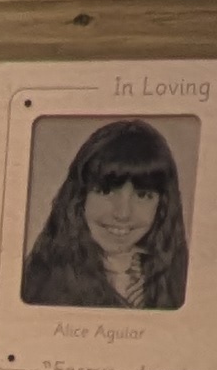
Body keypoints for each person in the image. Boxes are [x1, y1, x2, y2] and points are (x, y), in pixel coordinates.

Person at [17, 119, 189, 311]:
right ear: (79, 198)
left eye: (142, 195)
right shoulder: (39, 284)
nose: (123, 214)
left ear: (163, 205)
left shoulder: (181, 282)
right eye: (106, 192)